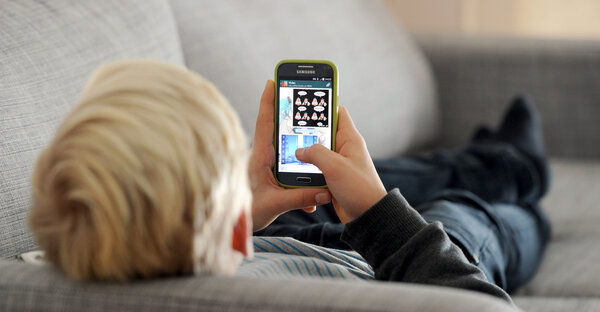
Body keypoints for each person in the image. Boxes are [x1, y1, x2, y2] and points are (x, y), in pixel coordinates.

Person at [29, 60, 549, 307]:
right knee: (462, 212)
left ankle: (501, 163)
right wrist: (383, 222)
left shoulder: (72, 256)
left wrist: (244, 212)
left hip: (287, 243)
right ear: (231, 234)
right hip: (407, 263)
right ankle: (515, 173)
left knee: (333, 180)